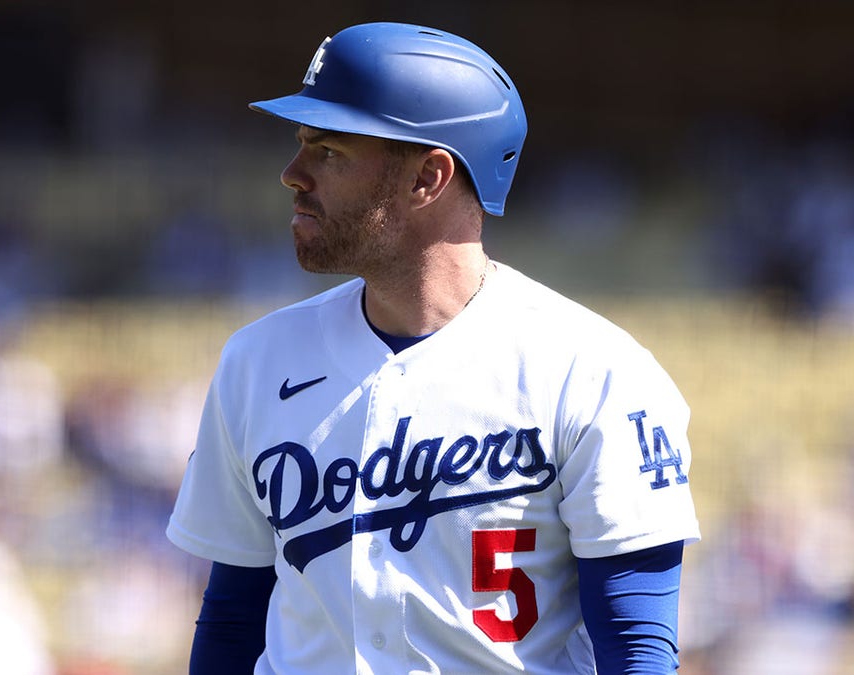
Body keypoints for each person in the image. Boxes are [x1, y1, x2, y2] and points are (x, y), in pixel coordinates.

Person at [166, 21, 700, 674]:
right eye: (301, 144)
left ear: (428, 177)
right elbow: (231, 620)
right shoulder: (257, 361)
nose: (291, 173)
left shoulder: (594, 374)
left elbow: (638, 649)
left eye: (328, 150)